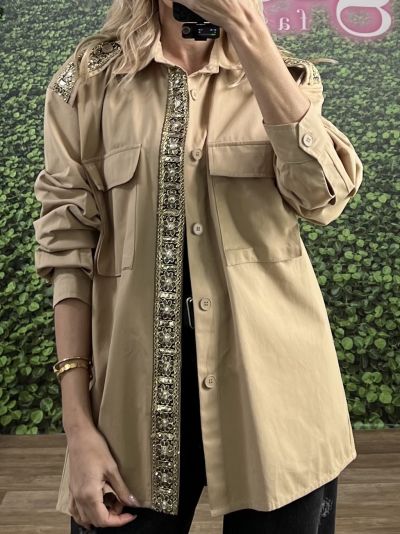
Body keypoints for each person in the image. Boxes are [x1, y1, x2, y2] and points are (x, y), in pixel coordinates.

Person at [32, 0, 363, 532]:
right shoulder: (88, 82)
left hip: (280, 403)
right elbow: (66, 247)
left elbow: (323, 197)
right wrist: (77, 426)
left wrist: (250, 34)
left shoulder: (286, 76)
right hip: (130, 410)